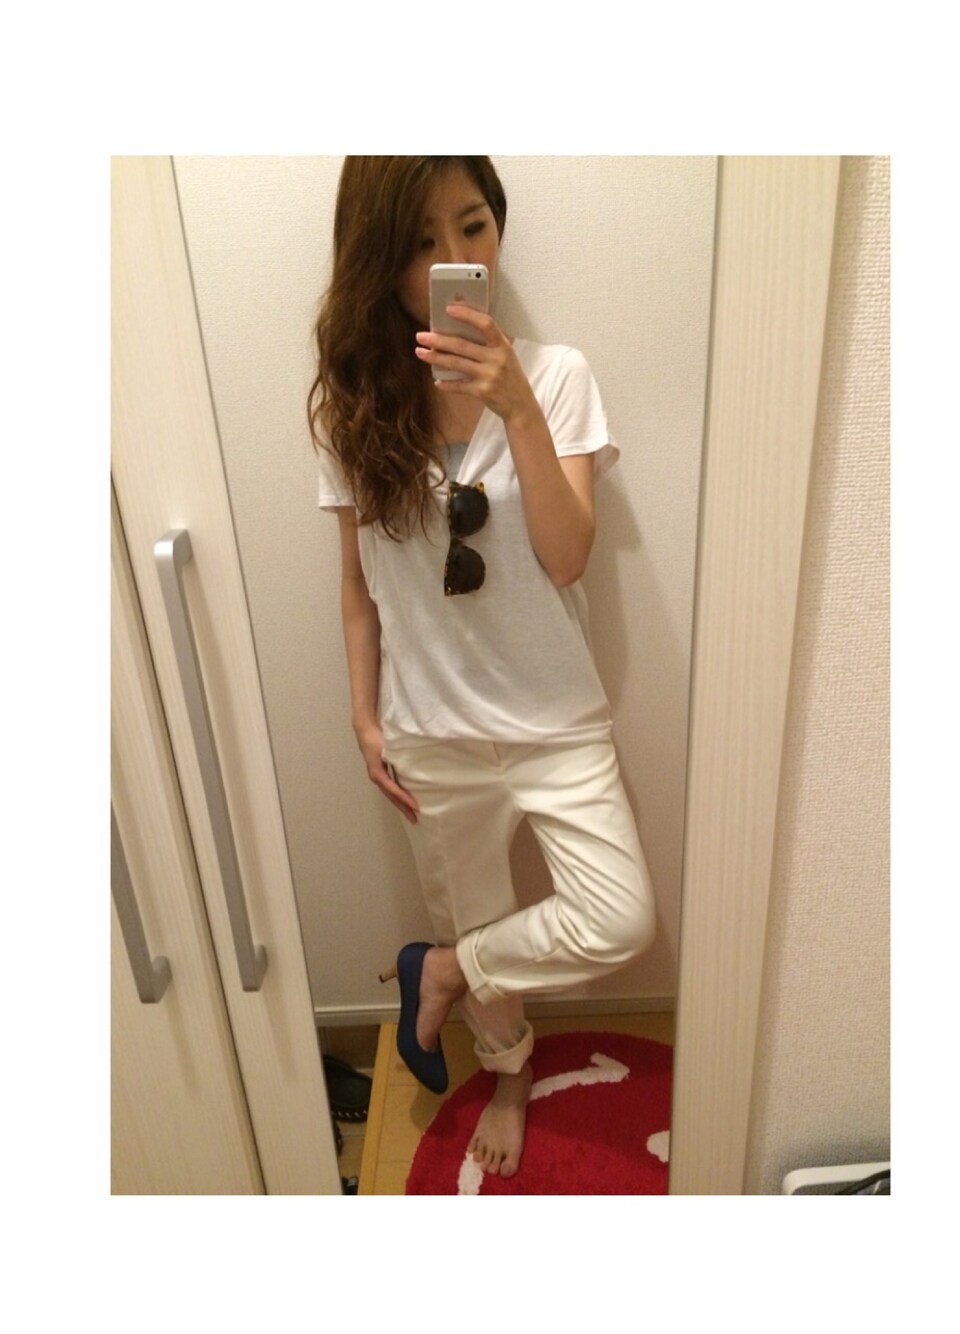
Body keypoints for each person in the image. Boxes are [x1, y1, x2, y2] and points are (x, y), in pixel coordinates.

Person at [309, 156, 655, 1180]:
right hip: (431, 731)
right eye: (421, 241)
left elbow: (567, 556)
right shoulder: (354, 405)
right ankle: (506, 1069)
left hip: (556, 723)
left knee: (619, 915)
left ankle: (444, 972)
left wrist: (519, 411)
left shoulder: (558, 376)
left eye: (473, 226)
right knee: (476, 911)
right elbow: (357, 586)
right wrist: (364, 715)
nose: (456, 258)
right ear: (381, 261)